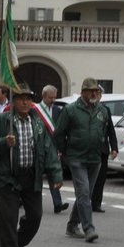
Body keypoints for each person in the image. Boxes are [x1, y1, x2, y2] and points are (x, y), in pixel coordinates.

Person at [0, 87, 63, 247]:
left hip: (31, 176)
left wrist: (56, 174)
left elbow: (49, 150)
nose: (25, 102)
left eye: (28, 99)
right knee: (8, 219)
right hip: (8, 178)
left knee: (35, 217)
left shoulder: (37, 123)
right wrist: (4, 142)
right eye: (21, 99)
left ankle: (18, 245)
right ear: (14, 101)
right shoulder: (2, 121)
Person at [54, 77, 115, 243]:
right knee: (84, 192)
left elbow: (107, 130)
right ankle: (89, 228)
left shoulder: (102, 110)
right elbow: (59, 133)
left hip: (95, 158)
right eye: (91, 91)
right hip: (76, 157)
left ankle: (72, 225)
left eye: (97, 91)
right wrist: (65, 151)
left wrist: (107, 147)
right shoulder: (71, 110)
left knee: (85, 194)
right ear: (83, 92)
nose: (95, 93)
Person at [41, 84, 69, 215]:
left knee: (54, 176)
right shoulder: (36, 110)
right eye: (50, 98)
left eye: (55, 97)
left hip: (53, 148)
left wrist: (60, 149)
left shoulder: (58, 110)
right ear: (44, 96)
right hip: (39, 149)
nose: (53, 100)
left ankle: (57, 204)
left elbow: (61, 130)